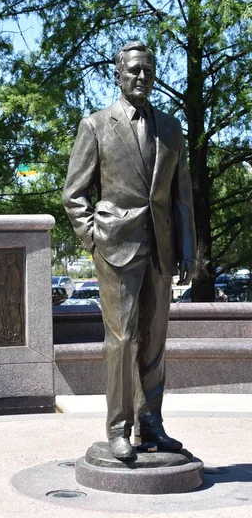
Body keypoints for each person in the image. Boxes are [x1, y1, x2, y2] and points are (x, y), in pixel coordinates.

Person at [63, 41, 197, 460]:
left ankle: (150, 423)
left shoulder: (172, 129)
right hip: (116, 247)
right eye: (135, 70)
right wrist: (94, 238)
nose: (142, 77)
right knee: (121, 339)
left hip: (161, 247)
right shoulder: (96, 125)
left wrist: (188, 249)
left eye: (149, 71)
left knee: (155, 341)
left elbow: (181, 197)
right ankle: (118, 427)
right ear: (118, 74)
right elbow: (73, 194)